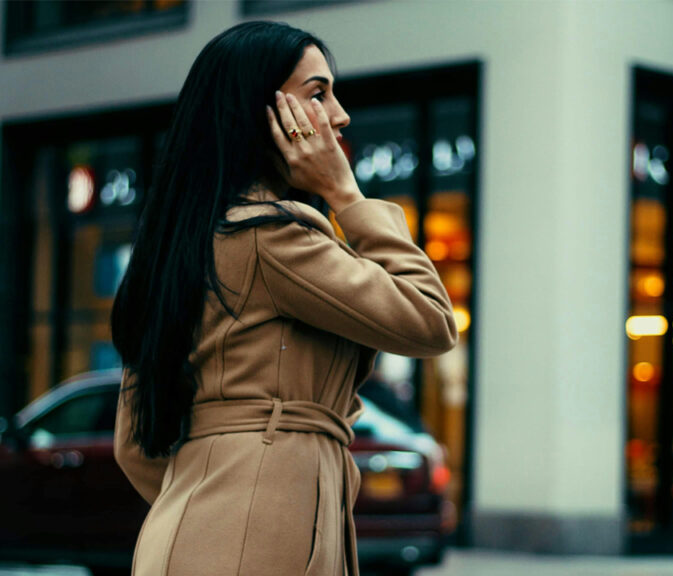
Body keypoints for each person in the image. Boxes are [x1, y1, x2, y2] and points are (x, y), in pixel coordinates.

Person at [110, 21, 457, 576]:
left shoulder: (180, 245)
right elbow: (431, 319)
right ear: (259, 113)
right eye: (318, 94)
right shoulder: (269, 237)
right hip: (257, 544)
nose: (339, 116)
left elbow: (134, 447)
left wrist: (215, 499)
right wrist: (345, 193)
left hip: (200, 536)